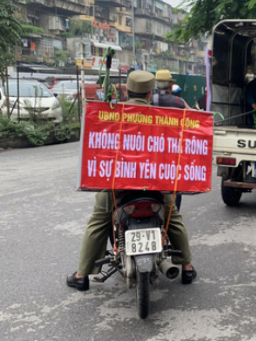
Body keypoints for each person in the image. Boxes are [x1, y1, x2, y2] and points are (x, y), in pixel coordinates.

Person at [67, 71, 196, 291]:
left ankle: (81, 275)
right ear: (149, 94)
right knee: (173, 217)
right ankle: (187, 268)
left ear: (127, 91)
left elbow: (100, 147)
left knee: (99, 220)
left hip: (118, 189)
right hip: (155, 185)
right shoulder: (163, 117)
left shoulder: (113, 115)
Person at [153, 69, 190, 210]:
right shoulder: (178, 102)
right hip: (173, 149)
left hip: (153, 148)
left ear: (156, 86)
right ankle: (174, 212)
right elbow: (192, 116)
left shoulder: (151, 101)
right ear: (170, 86)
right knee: (175, 183)